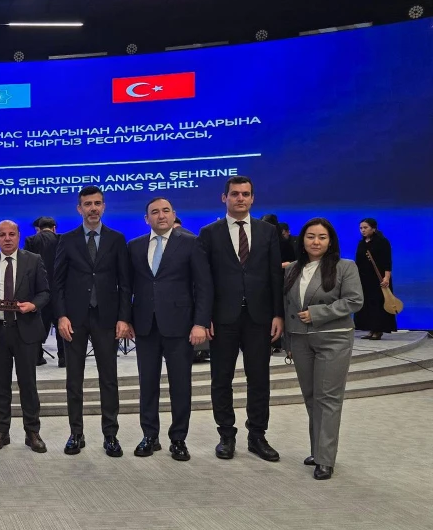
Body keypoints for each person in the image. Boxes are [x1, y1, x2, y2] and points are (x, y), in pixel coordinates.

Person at [197, 176, 284, 461]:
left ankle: (257, 436)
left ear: (253, 198)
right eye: (235, 194)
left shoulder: (268, 231)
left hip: (260, 317)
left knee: (259, 379)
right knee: (221, 379)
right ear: (224, 198)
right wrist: (204, 316)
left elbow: (275, 275)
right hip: (222, 318)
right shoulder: (209, 233)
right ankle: (226, 435)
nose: (240, 199)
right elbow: (203, 280)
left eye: (246, 194)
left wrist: (278, 314)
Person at [126, 198, 212, 461]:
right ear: (146, 219)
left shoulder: (191, 243)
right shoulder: (134, 246)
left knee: (180, 385)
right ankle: (149, 435)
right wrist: (125, 319)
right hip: (145, 326)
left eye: (165, 211)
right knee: (147, 384)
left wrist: (200, 322)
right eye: (154, 212)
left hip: (180, 325)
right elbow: (127, 287)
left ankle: (178, 439)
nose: (160, 215)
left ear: (174, 215)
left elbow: (203, 286)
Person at [53, 186, 132, 457]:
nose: (93, 208)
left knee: (108, 379)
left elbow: (125, 283)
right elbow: (57, 283)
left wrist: (124, 318)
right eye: (88, 204)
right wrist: (61, 316)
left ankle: (110, 435)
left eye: (97, 203)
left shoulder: (117, 239)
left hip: (107, 318)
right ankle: (76, 433)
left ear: (104, 206)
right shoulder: (67, 240)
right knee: (74, 380)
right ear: (79, 209)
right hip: (74, 319)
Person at [283, 218, 364, 480]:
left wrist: (317, 313)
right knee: (311, 397)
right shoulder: (292, 268)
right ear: (302, 240)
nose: (315, 242)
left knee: (327, 398)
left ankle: (326, 459)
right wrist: (288, 342)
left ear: (330, 241)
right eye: (310, 236)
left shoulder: (345, 267)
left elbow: (354, 300)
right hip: (300, 340)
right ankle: (318, 450)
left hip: (333, 338)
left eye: (322, 237)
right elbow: (287, 307)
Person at [0, 220, 49, 453]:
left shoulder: (33, 260)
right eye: (2, 235)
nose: (7, 238)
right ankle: (1, 432)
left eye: (11, 234)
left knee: (28, 384)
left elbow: (45, 292)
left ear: (18, 236)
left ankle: (32, 432)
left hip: (25, 330)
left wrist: (33, 305)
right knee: (0, 385)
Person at [23, 216, 64, 367]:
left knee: (38, 324)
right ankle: (64, 358)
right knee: (62, 323)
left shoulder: (31, 240)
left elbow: (26, 265)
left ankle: (37, 357)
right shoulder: (62, 239)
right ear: (54, 228)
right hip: (60, 289)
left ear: (38, 229)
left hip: (38, 291)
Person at [354, 218, 396, 340]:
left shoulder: (382, 242)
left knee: (378, 303)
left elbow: (387, 261)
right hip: (364, 279)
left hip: (379, 279)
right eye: (361, 228)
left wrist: (386, 278)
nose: (362, 230)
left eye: (365, 228)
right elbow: (358, 261)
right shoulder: (361, 243)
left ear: (373, 228)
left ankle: (378, 330)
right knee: (367, 304)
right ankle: (371, 329)